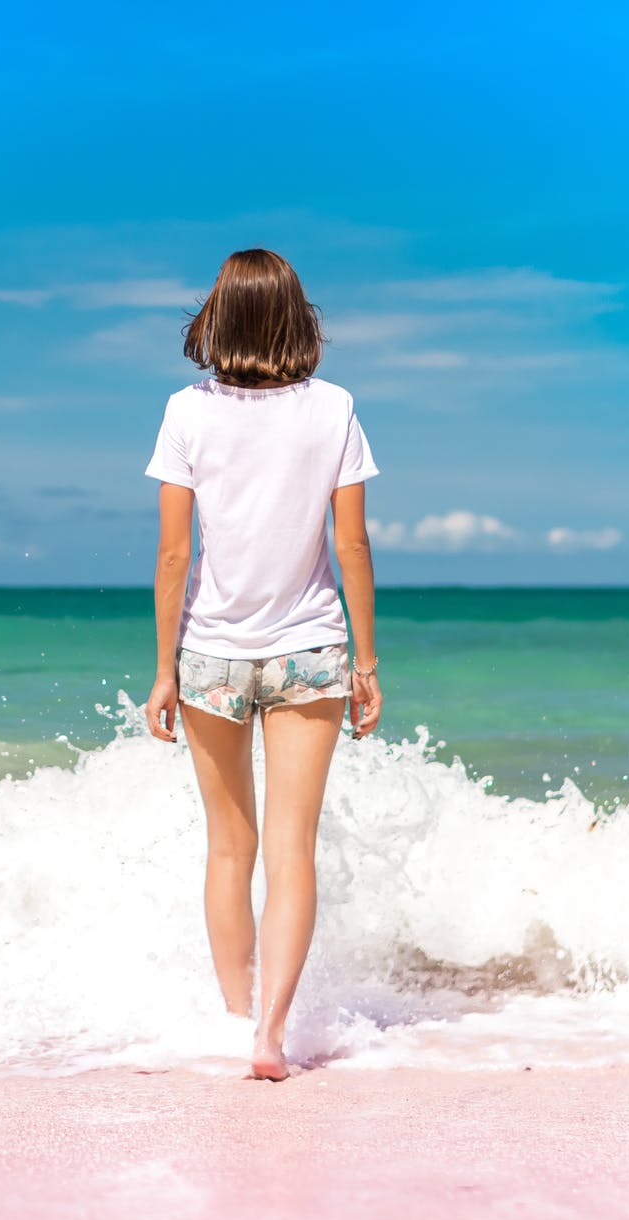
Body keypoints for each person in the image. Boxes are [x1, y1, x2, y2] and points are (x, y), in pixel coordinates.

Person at [141, 247, 383, 1081]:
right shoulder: (335, 408)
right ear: (295, 316)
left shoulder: (185, 411)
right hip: (312, 646)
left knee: (227, 850)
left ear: (220, 316)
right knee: (291, 849)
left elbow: (176, 555)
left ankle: (234, 1019)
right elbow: (350, 543)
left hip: (209, 648)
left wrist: (164, 668)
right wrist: (369, 660)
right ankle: (269, 1038)